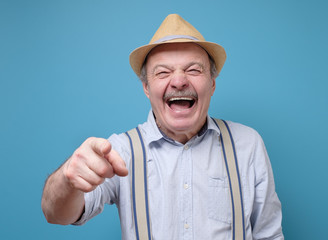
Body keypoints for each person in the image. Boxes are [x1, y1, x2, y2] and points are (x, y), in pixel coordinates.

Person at [41, 14, 284, 240]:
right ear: (147, 88)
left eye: (193, 70)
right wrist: (67, 179)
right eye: (163, 72)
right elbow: (55, 214)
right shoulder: (119, 151)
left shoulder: (247, 144)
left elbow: (269, 235)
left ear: (212, 83)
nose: (178, 81)